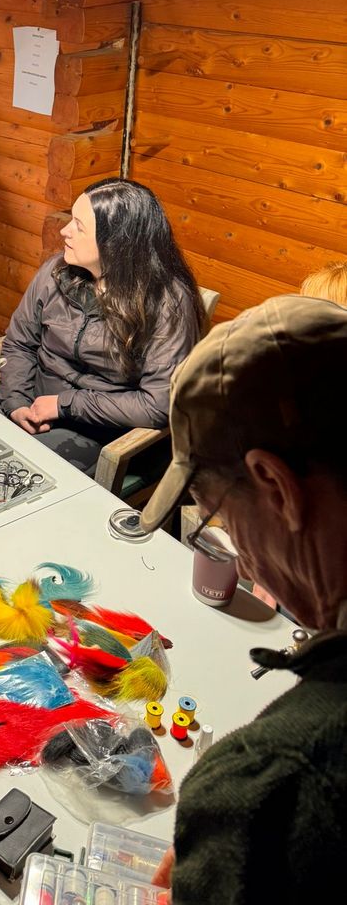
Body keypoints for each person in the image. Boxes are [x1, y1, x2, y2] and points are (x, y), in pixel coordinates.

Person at [139, 295, 347, 903]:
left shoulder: (276, 783)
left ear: (276, 486)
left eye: (223, 519)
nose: (245, 563)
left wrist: (239, 841)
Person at [0, 177, 204, 474]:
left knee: (12, 475)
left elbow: (157, 404)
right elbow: (20, 343)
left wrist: (65, 404)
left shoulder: (166, 303)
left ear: (117, 243)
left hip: (104, 432)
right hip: (35, 406)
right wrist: (16, 402)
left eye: (79, 226)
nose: (64, 230)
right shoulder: (55, 272)